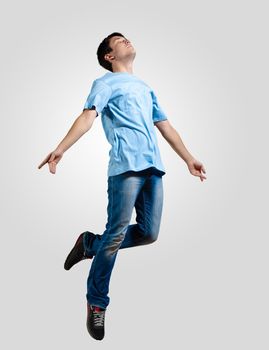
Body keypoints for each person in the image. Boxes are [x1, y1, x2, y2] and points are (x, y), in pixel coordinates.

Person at [38, 32, 207, 341]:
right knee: (115, 234)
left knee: (149, 233)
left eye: (127, 37)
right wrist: (61, 148)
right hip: (125, 168)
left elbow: (165, 126)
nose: (127, 40)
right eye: (119, 40)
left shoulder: (145, 87)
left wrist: (188, 158)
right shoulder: (104, 84)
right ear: (109, 57)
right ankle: (96, 302)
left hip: (154, 168)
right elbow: (87, 117)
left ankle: (89, 244)